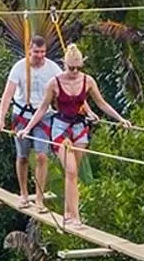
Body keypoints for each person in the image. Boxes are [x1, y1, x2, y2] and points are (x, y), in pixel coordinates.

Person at [20, 42, 130, 228]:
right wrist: (27, 128)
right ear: (64, 64)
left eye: (78, 68)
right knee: (70, 171)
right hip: (61, 128)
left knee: (74, 174)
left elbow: (101, 104)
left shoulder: (88, 81)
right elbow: (43, 109)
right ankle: (75, 218)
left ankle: (67, 212)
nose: (74, 71)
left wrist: (120, 118)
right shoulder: (54, 83)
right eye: (71, 68)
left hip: (79, 129)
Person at [0, 35, 61, 208]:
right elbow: (7, 95)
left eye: (43, 52)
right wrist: (1, 119)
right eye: (36, 52)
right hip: (22, 115)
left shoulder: (53, 68)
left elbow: (67, 87)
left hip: (44, 116)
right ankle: (24, 193)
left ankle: (39, 198)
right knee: (23, 156)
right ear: (29, 50)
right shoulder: (19, 68)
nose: (40, 55)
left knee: (41, 156)